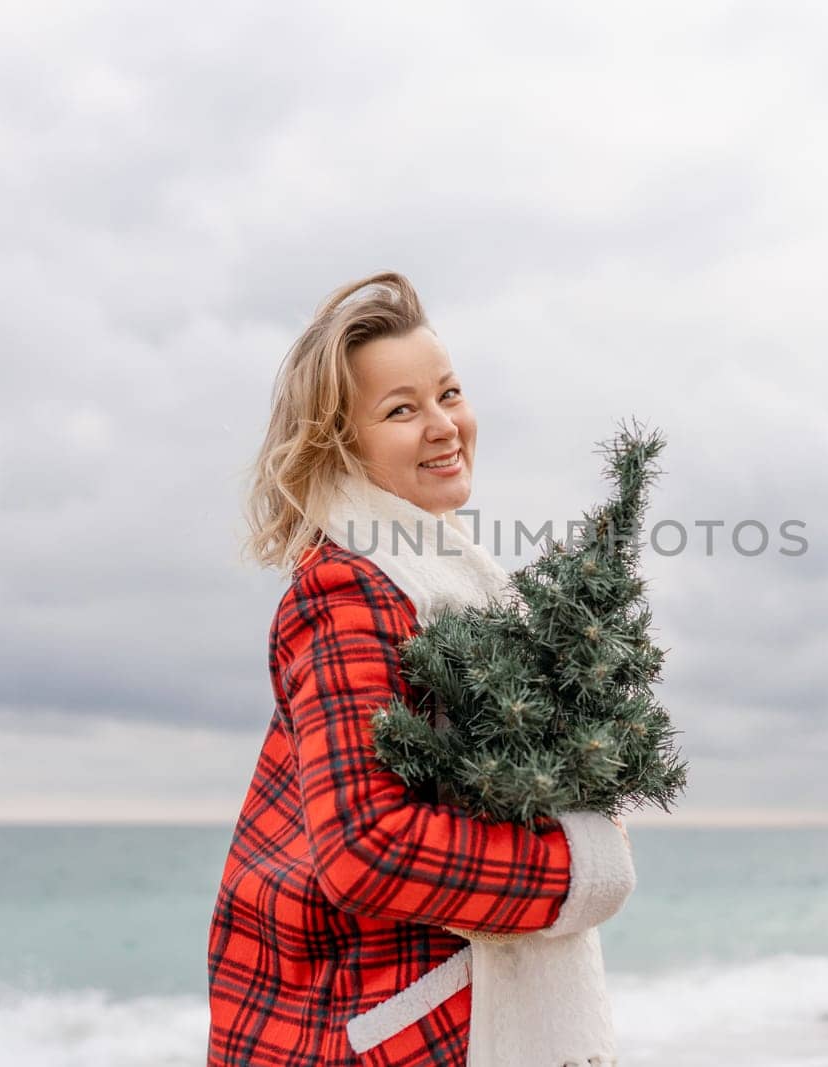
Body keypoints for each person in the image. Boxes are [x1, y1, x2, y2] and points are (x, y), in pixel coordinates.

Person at [207, 271, 636, 1067]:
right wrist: (578, 864)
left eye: (449, 392)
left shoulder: (436, 573)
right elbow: (365, 844)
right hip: (387, 1035)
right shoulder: (349, 590)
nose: (444, 425)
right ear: (341, 443)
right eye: (401, 409)